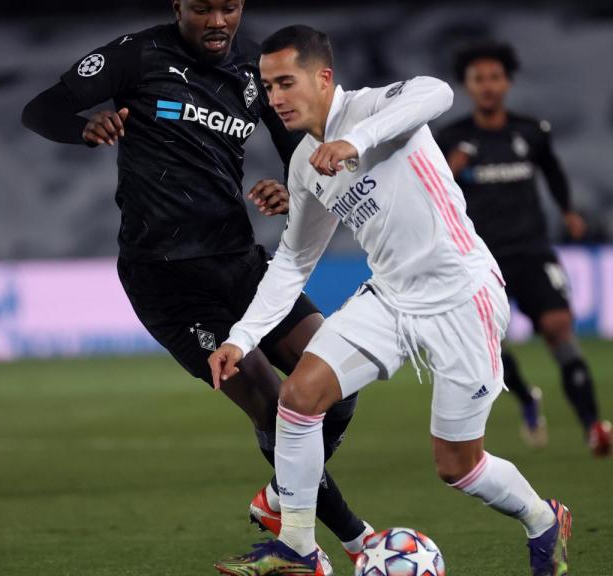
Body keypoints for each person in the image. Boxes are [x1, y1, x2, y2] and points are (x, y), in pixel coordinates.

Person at [20, 1, 373, 567]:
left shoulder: (253, 76)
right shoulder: (137, 55)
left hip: (241, 266)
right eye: (202, 8)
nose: (217, 21)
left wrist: (290, 193)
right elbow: (41, 109)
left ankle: (282, 497)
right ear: (177, 8)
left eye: (228, 7)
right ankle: (352, 543)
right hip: (167, 280)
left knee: (337, 378)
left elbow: (299, 158)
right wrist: (84, 126)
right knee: (276, 406)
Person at [209, 25, 571, 576]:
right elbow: (294, 260)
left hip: (461, 297)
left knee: (457, 466)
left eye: (286, 82)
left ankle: (543, 520)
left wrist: (356, 141)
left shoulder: (376, 107)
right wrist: (241, 337)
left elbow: (439, 93)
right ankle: (299, 550)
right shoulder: (306, 163)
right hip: (391, 299)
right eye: (267, 86)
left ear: (323, 77)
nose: (274, 98)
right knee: (300, 397)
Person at [435, 41, 613, 455]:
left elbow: (553, 172)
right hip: (481, 261)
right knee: (490, 349)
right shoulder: (452, 138)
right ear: (467, 85)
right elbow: (432, 190)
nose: (487, 86)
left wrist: (568, 210)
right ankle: (527, 399)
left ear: (508, 82)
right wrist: (451, 170)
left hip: (534, 252)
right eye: (479, 79)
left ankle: (593, 426)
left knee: (558, 328)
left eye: (495, 77)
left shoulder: (532, 131)